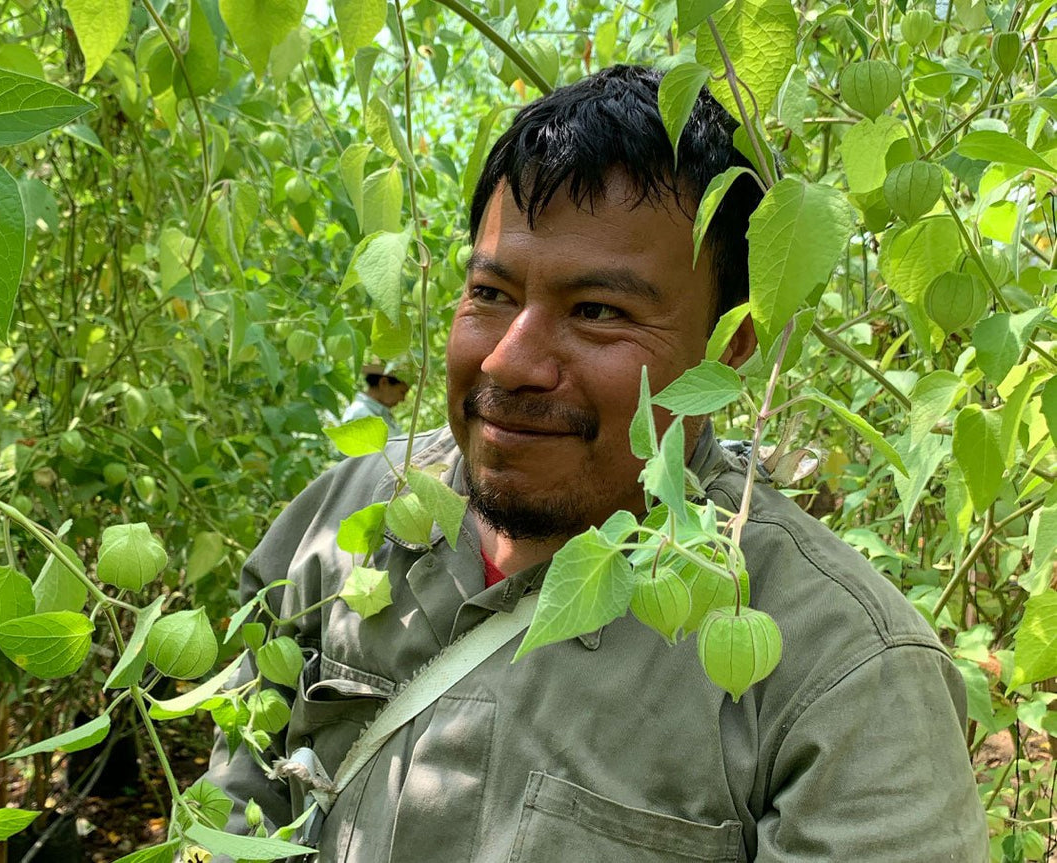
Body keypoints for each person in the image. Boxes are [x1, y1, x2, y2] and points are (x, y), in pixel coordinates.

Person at [206, 65, 986, 861]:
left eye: (598, 311)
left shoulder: (844, 674)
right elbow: (237, 793)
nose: (508, 362)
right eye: (491, 293)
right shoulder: (345, 518)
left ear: (731, 341)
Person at [340, 363, 411, 435]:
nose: (403, 399)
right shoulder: (360, 415)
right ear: (384, 383)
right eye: (402, 392)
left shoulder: (382, 414)